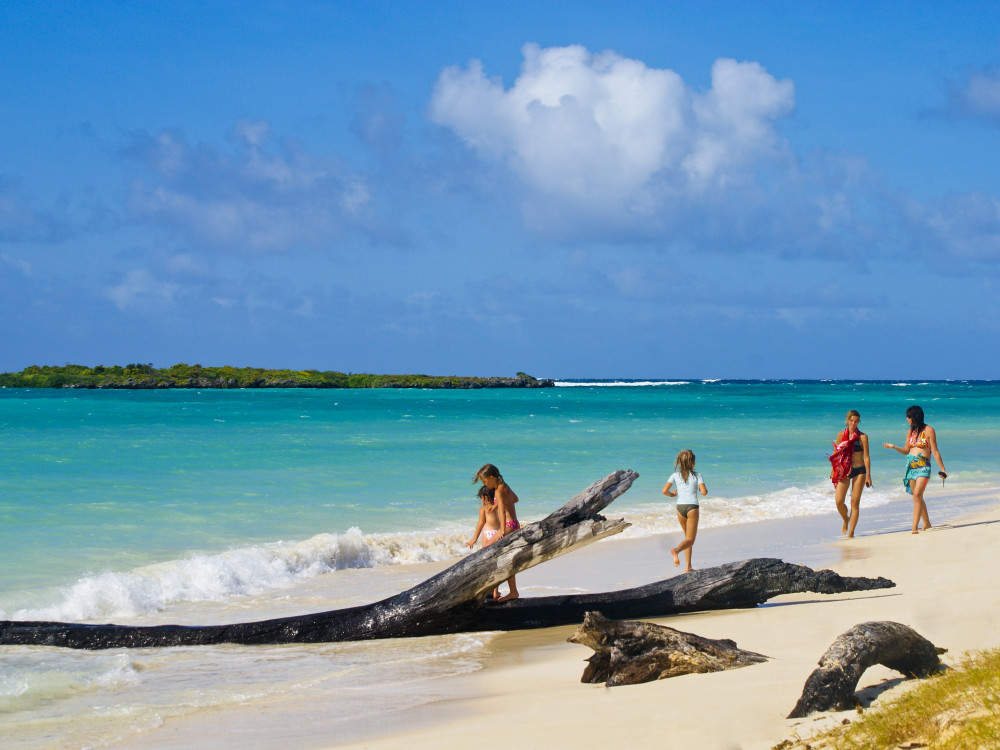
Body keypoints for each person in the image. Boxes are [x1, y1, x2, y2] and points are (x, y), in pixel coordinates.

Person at [882, 405, 947, 534]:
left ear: (914, 417)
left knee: (917, 495)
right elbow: (907, 451)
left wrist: (943, 469)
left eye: (908, 417)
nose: (907, 419)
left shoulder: (929, 430)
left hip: (923, 466)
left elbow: (934, 451)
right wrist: (894, 447)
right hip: (910, 466)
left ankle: (914, 528)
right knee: (917, 496)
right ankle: (927, 522)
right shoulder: (910, 432)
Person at [473, 463, 520, 601]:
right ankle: (511, 591)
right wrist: (496, 504)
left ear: (492, 477)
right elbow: (515, 499)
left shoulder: (498, 491)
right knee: (506, 559)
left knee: (485, 550)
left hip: (507, 526)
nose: (485, 484)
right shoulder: (505, 486)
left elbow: (502, 513)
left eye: (485, 481)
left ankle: (489, 588)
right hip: (515, 524)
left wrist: (502, 530)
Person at [661, 449, 707, 573]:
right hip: (692, 507)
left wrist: (673, 494)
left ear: (680, 463)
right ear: (692, 463)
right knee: (690, 540)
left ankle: (688, 567)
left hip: (680, 508)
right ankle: (676, 550)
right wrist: (698, 488)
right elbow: (704, 492)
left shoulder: (675, 475)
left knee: (687, 538)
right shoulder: (698, 475)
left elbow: (664, 491)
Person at [829, 410, 872, 538]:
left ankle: (851, 533)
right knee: (838, 501)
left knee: (855, 501)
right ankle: (846, 519)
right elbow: (835, 453)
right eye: (851, 421)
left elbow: (866, 457)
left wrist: (868, 476)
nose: (854, 423)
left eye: (856, 421)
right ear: (848, 420)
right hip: (844, 470)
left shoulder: (862, 437)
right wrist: (833, 470)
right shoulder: (841, 435)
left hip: (860, 470)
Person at [465, 485, 501, 550]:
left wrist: (474, 539)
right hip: (499, 533)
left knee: (484, 551)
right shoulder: (499, 506)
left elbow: (481, 523)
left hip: (488, 533)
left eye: (481, 498)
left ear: (486, 498)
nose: (481, 500)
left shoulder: (483, 509)